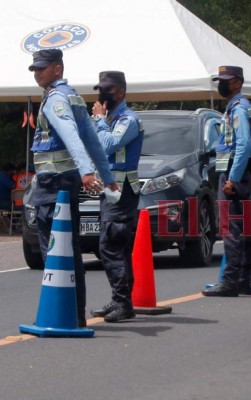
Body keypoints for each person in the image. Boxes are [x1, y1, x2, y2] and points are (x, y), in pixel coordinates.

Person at [28, 49, 118, 327]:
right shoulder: (74, 96)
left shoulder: (56, 99)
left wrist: (88, 171)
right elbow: (91, 138)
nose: (36, 73)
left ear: (57, 69)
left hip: (53, 184)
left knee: (53, 249)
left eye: (42, 68)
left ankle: (60, 313)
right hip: (65, 183)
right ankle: (75, 314)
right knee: (70, 248)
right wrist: (106, 174)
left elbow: (70, 134)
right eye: (34, 69)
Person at [89, 71, 144, 322]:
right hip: (110, 190)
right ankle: (120, 300)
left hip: (122, 191)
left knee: (110, 245)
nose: (102, 94)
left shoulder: (128, 119)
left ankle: (123, 302)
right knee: (115, 246)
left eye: (106, 90)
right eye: (100, 90)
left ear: (120, 92)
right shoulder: (109, 118)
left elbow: (109, 145)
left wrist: (99, 121)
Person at [202, 66, 251, 297]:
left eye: (225, 81)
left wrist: (232, 179)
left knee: (231, 228)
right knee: (244, 228)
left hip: (236, 174)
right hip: (243, 173)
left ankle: (230, 281)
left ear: (237, 82)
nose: (220, 84)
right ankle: (243, 279)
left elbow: (243, 145)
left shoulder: (238, 109)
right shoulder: (239, 107)